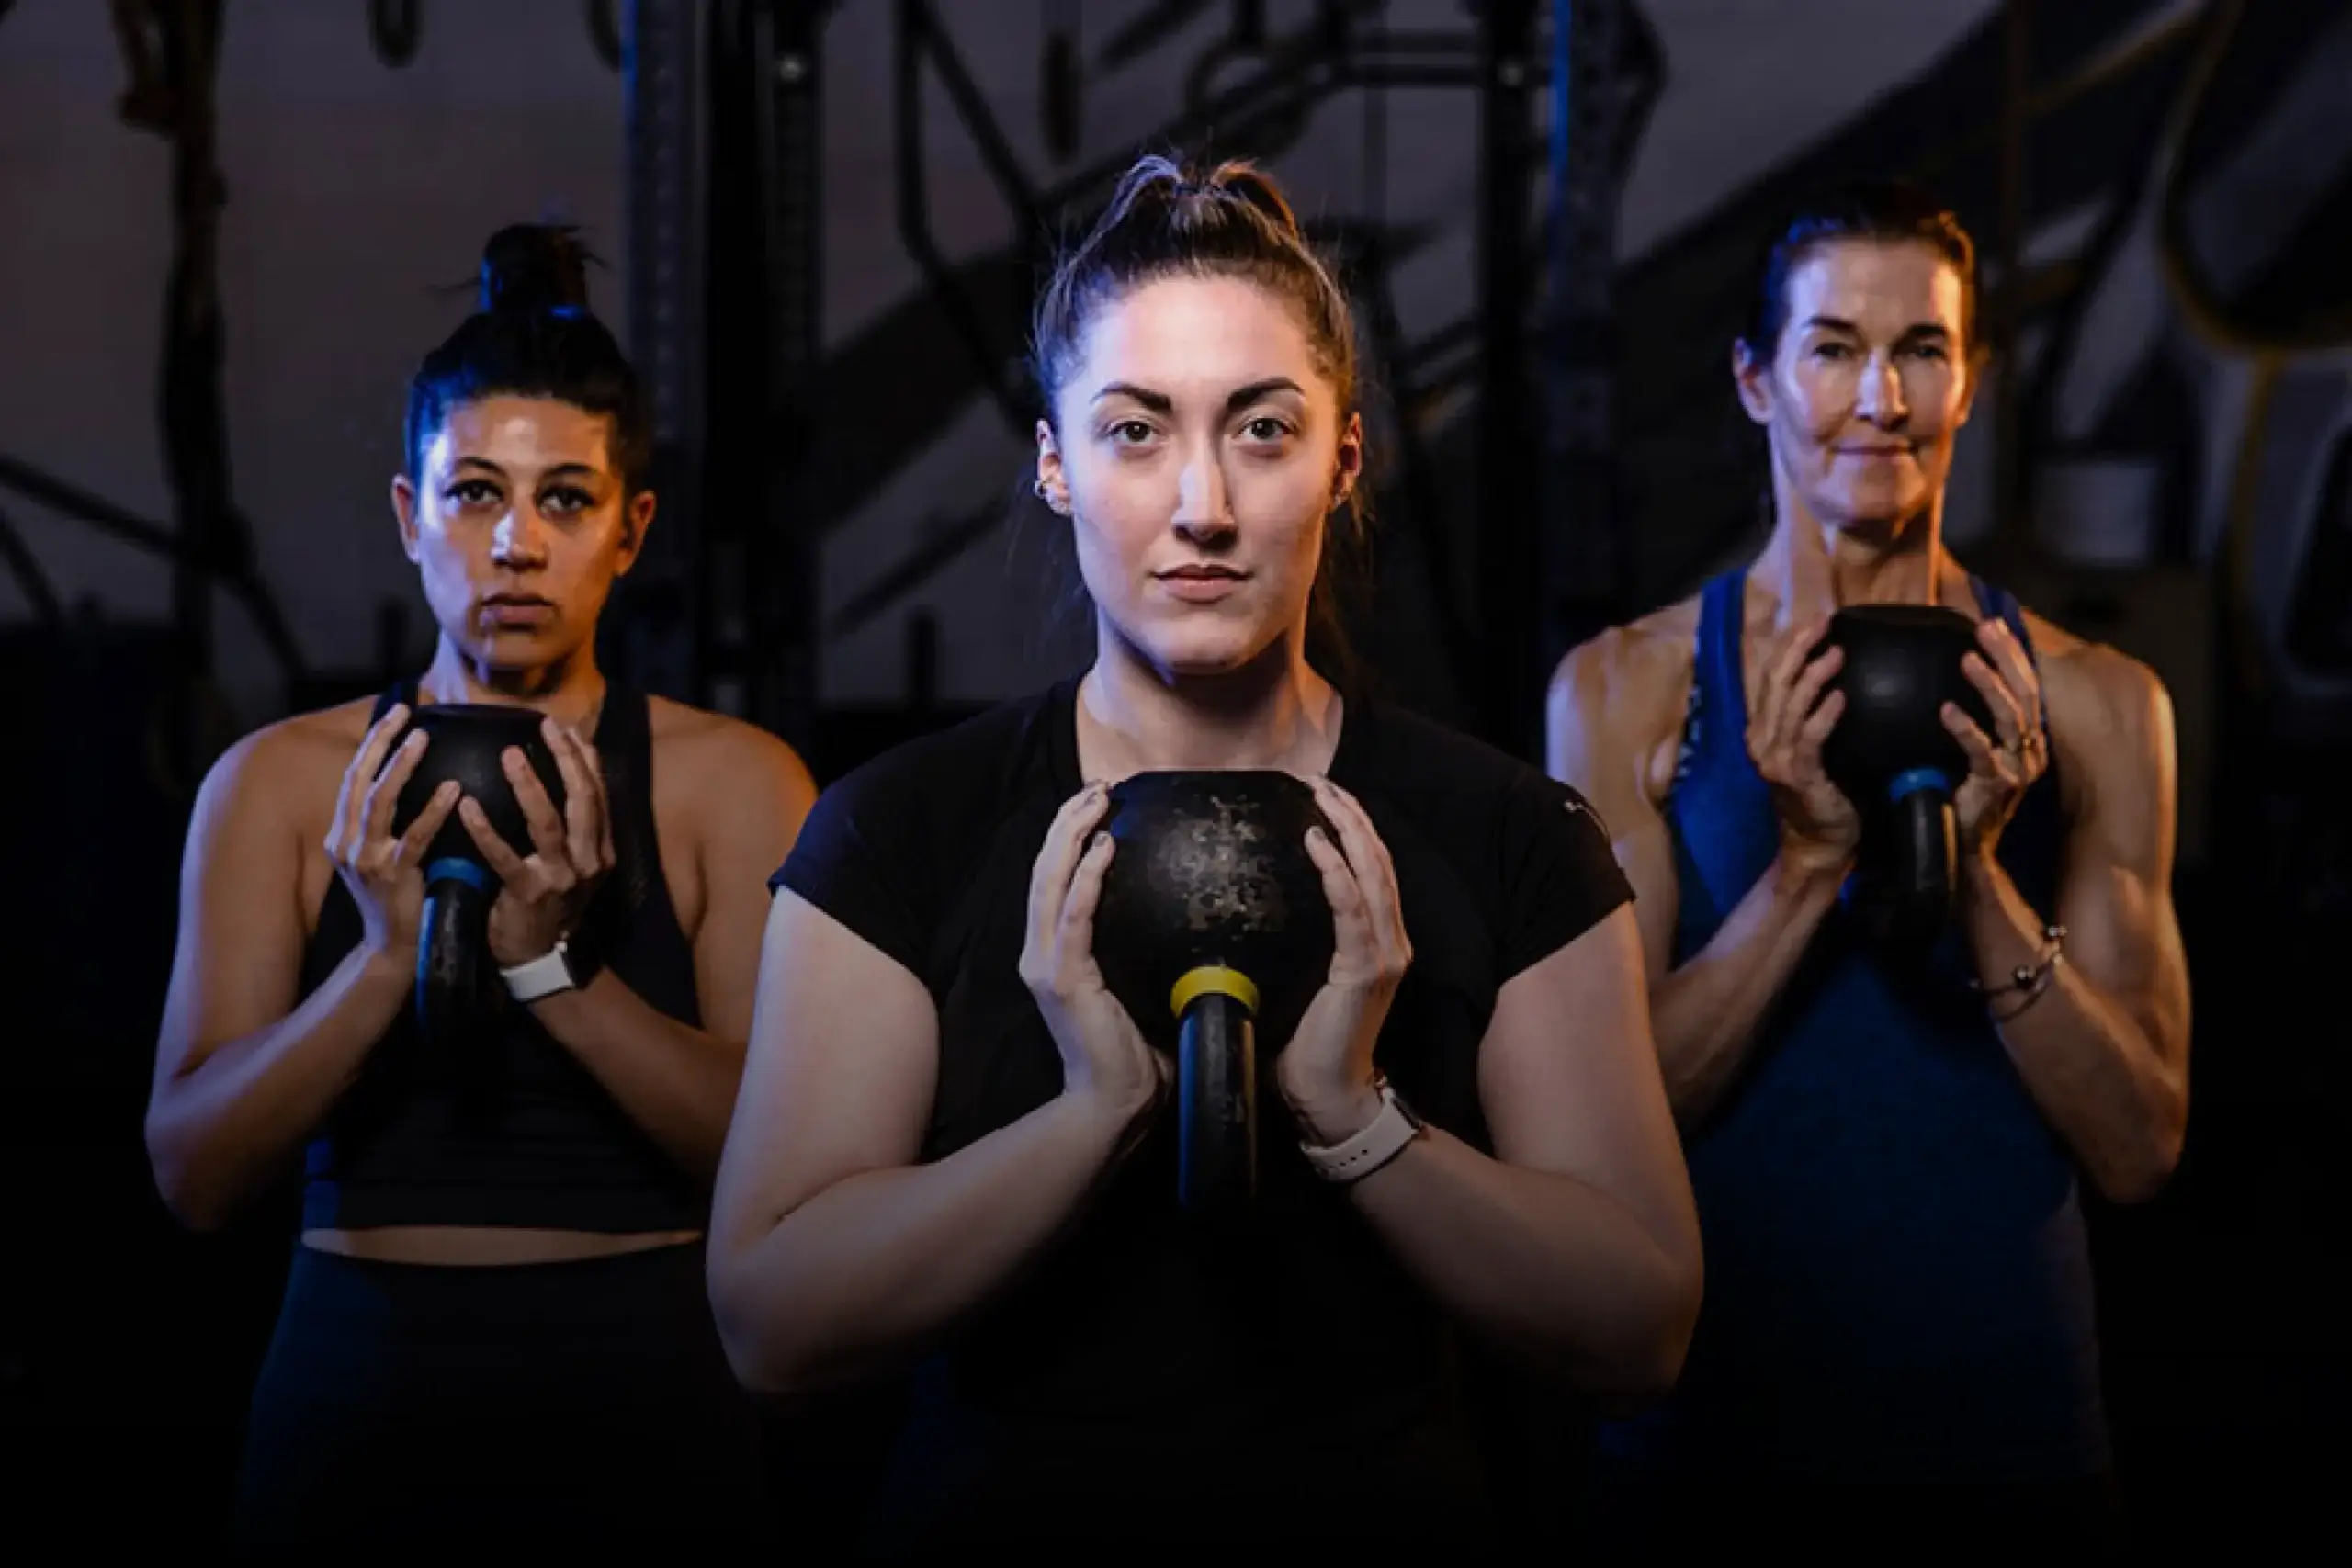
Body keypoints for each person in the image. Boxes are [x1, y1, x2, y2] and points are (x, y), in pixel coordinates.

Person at [704, 153, 1703, 1558]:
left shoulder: (1509, 836)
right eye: (1133, 431)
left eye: (1262, 429)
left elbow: (1639, 1331)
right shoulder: (899, 831)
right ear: (1053, 463)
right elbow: (773, 1326)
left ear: (1345, 458)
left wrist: (1355, 1119)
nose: (1204, 506)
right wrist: (1090, 1108)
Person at [144, 225, 816, 1556]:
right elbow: (195, 1174)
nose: (514, 543)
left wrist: (552, 969)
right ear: (411, 516)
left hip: (640, 1386)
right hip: (354, 1380)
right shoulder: (278, 784)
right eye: (473, 495)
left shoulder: (733, 782)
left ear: (630, 530)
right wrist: (384, 958)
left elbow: (783, 1166)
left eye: (564, 498)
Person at [1546, 181, 2192, 1556]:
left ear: (1971, 382)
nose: (1880, 399)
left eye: (1921, 351)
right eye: (1833, 348)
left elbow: (2141, 1144)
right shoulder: (1633, 690)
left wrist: (1969, 867)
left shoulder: (2094, 705)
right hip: (1707, 1441)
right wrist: (1803, 870)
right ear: (1754, 380)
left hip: (2008, 1439)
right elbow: (1604, 1121)